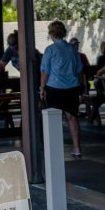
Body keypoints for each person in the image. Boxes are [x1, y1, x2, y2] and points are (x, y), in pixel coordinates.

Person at [39, 20, 85, 158]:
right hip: (72, 88)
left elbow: (45, 72)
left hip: (54, 88)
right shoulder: (72, 49)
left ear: (51, 34)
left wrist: (42, 87)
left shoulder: (50, 50)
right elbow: (79, 69)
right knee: (71, 117)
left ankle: (55, 150)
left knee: (54, 119)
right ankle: (77, 148)